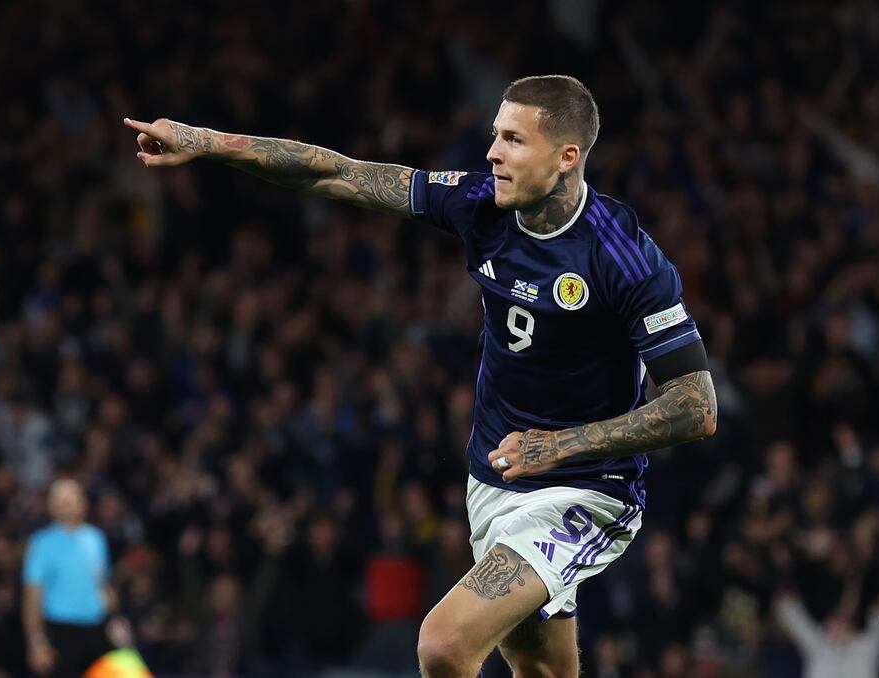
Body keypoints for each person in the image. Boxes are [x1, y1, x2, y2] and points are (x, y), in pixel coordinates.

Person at [124, 74, 717, 678]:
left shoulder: (624, 257)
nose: (492, 152)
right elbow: (337, 172)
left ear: (567, 157)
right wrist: (204, 140)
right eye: (494, 135)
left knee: (443, 644)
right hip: (494, 477)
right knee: (542, 671)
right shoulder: (480, 204)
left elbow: (696, 405)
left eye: (513, 139)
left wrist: (561, 445)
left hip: (586, 487)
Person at [23, 479, 115, 676]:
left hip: (96, 627)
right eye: (61, 501)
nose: (67, 505)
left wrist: (115, 616)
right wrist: (37, 643)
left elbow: (103, 583)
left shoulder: (96, 538)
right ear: (51, 506)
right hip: (61, 629)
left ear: (83, 503)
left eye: (71, 499)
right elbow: (32, 596)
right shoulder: (41, 544)